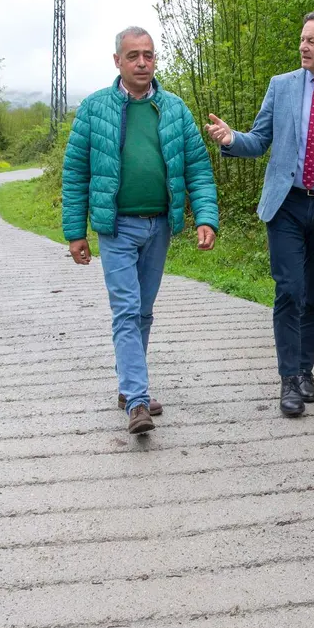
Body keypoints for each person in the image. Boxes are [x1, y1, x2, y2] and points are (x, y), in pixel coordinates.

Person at [204, 11, 314, 417]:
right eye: (302, 39)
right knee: (289, 289)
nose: (303, 46)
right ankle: (288, 380)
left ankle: (305, 370)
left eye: (312, 41)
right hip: (285, 203)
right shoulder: (281, 86)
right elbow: (259, 140)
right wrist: (232, 139)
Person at [62, 26, 219, 434]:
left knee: (143, 312)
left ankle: (129, 385)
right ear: (117, 61)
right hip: (116, 228)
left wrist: (206, 217)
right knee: (127, 310)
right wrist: (75, 231)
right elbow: (76, 173)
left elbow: (198, 168)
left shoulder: (174, 109)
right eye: (133, 55)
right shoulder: (94, 109)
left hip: (159, 226)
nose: (142, 62)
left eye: (148, 55)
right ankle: (136, 400)